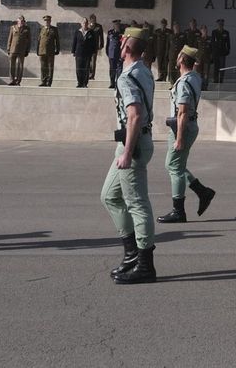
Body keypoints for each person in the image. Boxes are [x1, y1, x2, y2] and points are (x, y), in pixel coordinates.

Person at [103, 26, 158, 283]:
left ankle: (145, 265)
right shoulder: (143, 70)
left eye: (121, 39)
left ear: (125, 45)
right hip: (135, 141)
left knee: (137, 204)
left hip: (133, 144)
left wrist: (127, 152)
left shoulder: (128, 77)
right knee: (109, 196)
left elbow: (134, 115)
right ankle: (131, 254)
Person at [158, 45, 216, 223]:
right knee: (175, 165)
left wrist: (180, 138)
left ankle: (179, 211)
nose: (176, 57)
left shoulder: (184, 82)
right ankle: (202, 191)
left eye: (178, 56)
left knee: (174, 167)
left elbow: (182, 111)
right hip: (187, 124)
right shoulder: (194, 77)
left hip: (183, 126)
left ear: (182, 60)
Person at [6, 15, 30, 86]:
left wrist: (27, 50)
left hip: (22, 50)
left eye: (23, 21)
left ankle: (18, 81)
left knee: (20, 66)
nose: (21, 22)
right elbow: (9, 39)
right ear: (17, 21)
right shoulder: (13, 27)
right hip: (13, 50)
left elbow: (29, 41)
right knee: (12, 66)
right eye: (20, 21)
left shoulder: (27, 29)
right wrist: (8, 48)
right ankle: (12, 80)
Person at [37, 15, 60, 87]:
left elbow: (57, 40)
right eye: (45, 21)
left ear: (50, 21)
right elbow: (39, 40)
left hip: (50, 51)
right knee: (43, 67)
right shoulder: (41, 29)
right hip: (42, 51)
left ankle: (49, 82)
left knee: (50, 67)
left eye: (48, 21)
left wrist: (57, 49)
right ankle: (43, 81)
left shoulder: (54, 29)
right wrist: (37, 50)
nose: (47, 22)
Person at [104, 20, 124, 90]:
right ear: (114, 25)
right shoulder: (110, 33)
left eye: (118, 24)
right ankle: (112, 83)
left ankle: (118, 83)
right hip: (112, 54)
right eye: (116, 25)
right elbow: (108, 44)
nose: (117, 26)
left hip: (119, 54)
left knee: (119, 70)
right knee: (112, 69)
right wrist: (107, 52)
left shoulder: (122, 32)